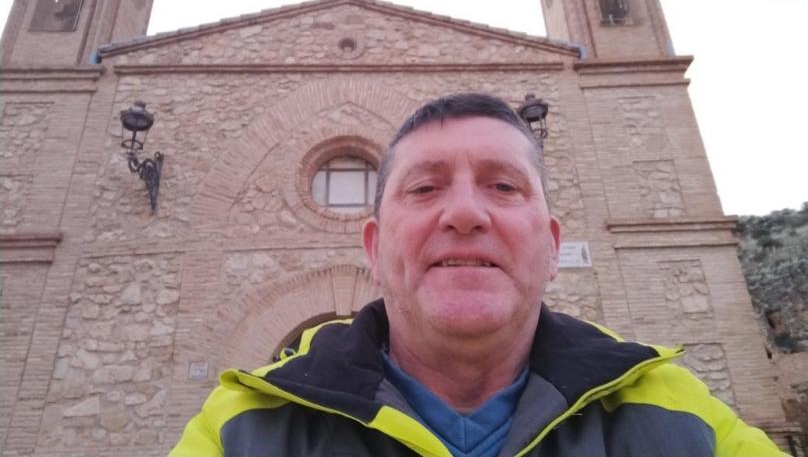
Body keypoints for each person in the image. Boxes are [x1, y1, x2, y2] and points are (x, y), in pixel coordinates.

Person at [170, 93, 785, 456]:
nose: (465, 213)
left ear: (550, 247)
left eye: (504, 186)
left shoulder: (676, 413)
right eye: (424, 187)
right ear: (375, 248)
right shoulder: (244, 426)